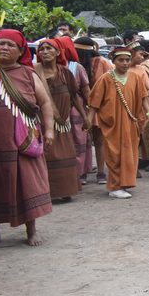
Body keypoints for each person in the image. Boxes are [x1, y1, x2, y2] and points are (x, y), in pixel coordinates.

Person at [0, 29, 54, 246]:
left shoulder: (27, 74)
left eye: (10, 45)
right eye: (1, 44)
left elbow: (44, 102)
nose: (5, 48)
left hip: (21, 142)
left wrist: (49, 130)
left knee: (26, 184)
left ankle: (31, 231)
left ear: (20, 51)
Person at [88, 45, 149, 198]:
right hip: (113, 124)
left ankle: (124, 183)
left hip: (130, 123)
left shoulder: (135, 77)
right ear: (113, 61)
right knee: (114, 154)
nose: (124, 63)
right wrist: (89, 120)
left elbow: (143, 97)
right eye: (120, 60)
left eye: (127, 60)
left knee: (129, 153)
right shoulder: (106, 78)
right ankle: (114, 187)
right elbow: (95, 102)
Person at [34, 40, 88, 202]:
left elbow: (74, 97)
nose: (44, 52)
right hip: (43, 124)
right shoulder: (33, 72)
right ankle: (46, 192)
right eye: (41, 49)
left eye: (48, 48)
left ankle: (66, 191)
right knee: (47, 156)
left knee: (66, 156)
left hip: (63, 124)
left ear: (58, 52)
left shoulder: (65, 72)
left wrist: (85, 118)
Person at [75, 36, 114, 184]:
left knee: (99, 139)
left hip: (100, 106)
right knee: (81, 140)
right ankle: (82, 171)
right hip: (79, 105)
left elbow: (113, 82)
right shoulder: (74, 64)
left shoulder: (102, 62)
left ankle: (101, 172)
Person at [128, 38, 149, 172]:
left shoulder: (142, 69)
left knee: (148, 132)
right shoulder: (120, 70)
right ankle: (143, 159)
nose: (142, 57)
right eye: (140, 54)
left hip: (144, 105)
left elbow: (146, 90)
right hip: (128, 106)